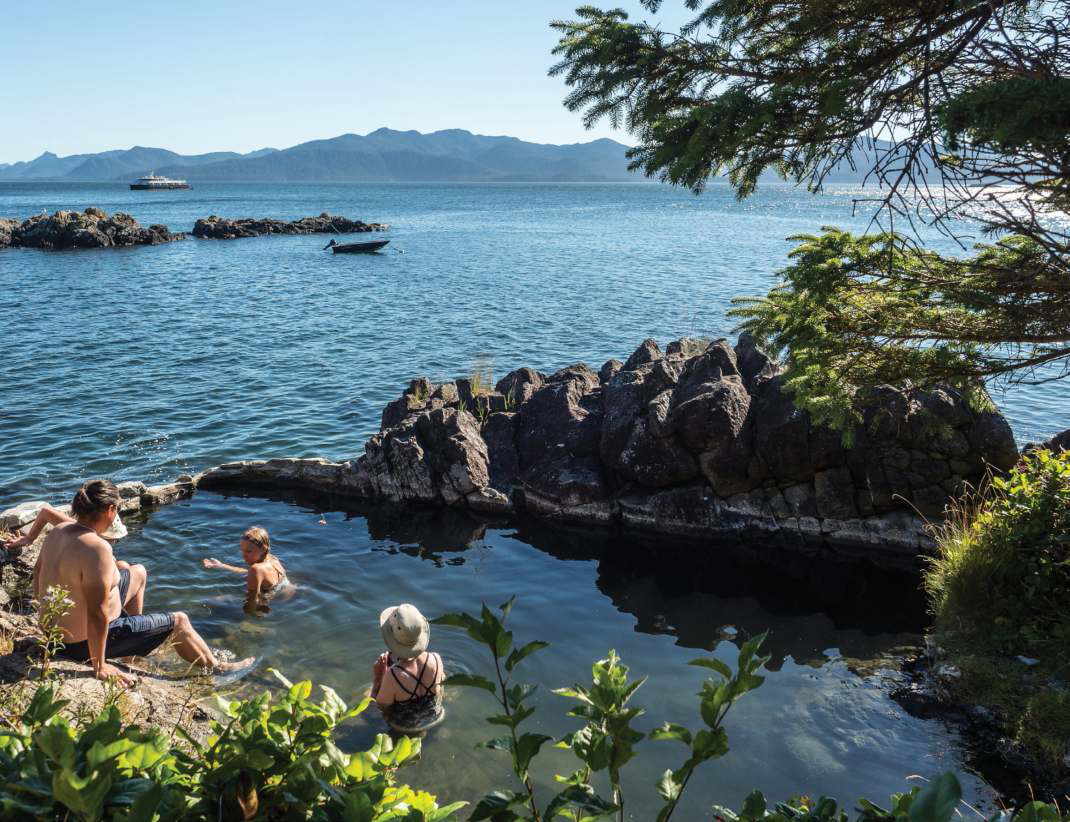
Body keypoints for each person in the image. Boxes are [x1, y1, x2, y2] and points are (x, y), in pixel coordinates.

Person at [16, 479, 254, 686]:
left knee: (137, 572)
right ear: (110, 510)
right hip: (80, 644)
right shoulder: (97, 548)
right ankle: (217, 669)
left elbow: (38, 573)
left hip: (55, 634)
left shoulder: (59, 530)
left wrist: (45, 620)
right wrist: (99, 666)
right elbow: (97, 613)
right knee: (180, 621)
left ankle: (130, 654)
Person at [371, 603, 445, 731]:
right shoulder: (436, 659)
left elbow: (379, 707)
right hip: (434, 716)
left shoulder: (394, 675)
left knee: (366, 704)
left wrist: (378, 677)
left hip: (404, 726)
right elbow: (439, 688)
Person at [201, 526, 289, 601]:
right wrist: (222, 566)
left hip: (277, 601)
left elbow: (252, 601)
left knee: (213, 601)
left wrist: (247, 619)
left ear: (263, 549)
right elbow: (247, 572)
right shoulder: (272, 558)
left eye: (248, 551)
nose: (243, 555)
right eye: (242, 550)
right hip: (288, 594)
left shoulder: (256, 569)